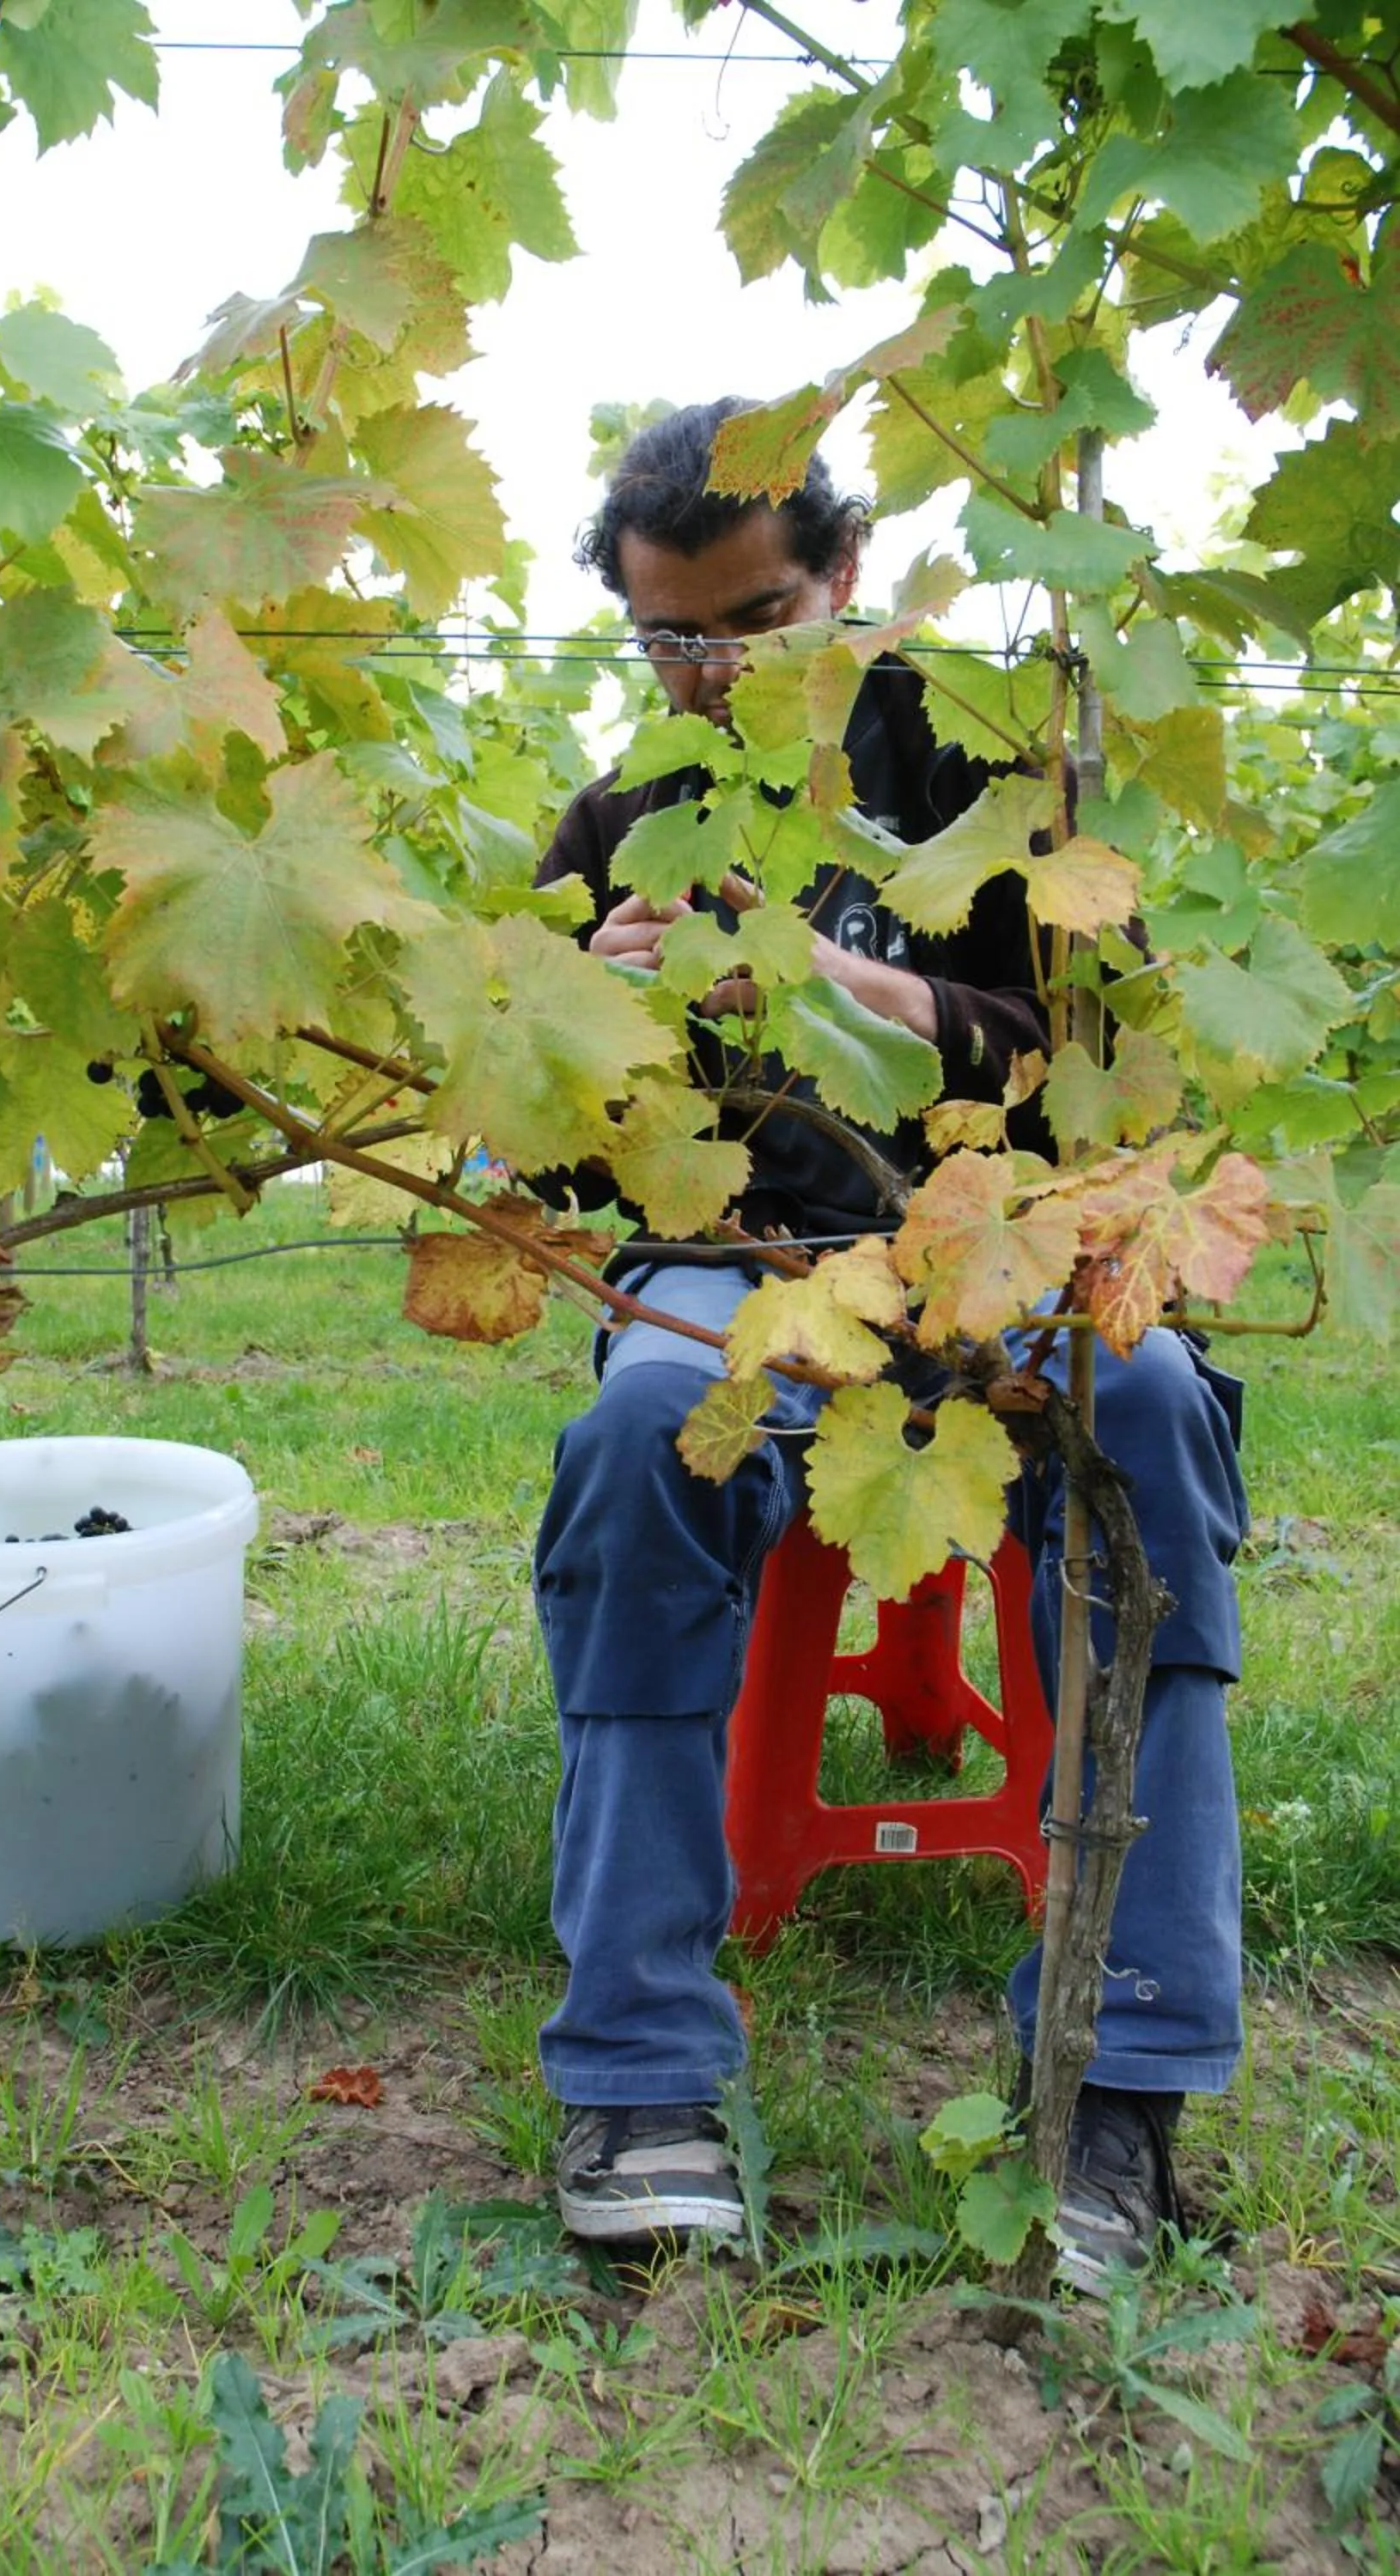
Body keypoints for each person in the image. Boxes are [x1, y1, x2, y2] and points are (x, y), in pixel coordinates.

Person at [527, 400, 1249, 2293]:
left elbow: (1083, 1065)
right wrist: (577, 1017)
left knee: (1150, 1410)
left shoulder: (997, 776)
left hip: (994, 1244)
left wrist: (854, 987)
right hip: (734, 1257)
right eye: (664, 636)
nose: (703, 670)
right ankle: (637, 2072)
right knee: (635, 1443)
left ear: (838, 575)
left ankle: (1117, 2076)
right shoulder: (621, 813)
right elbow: (525, 1141)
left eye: (744, 624)